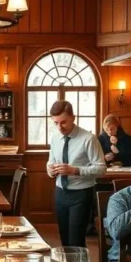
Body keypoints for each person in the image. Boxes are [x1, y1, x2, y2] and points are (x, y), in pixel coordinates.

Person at [46, 100, 107, 247]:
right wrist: (50, 170)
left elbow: (102, 169)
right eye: (56, 123)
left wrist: (75, 170)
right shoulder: (55, 138)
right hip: (60, 192)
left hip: (81, 194)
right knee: (65, 241)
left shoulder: (89, 139)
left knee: (76, 242)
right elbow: (50, 162)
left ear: (73, 117)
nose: (59, 127)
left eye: (63, 122)